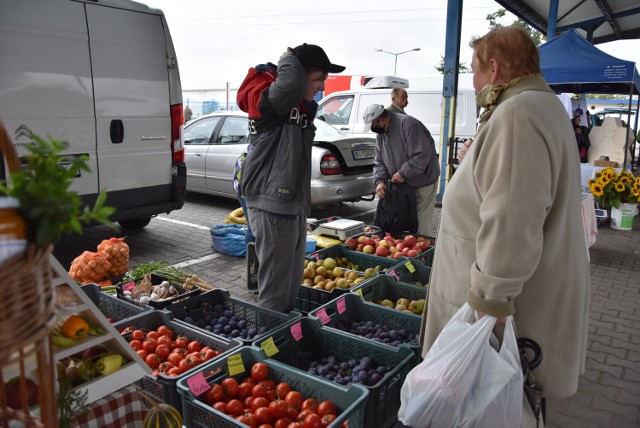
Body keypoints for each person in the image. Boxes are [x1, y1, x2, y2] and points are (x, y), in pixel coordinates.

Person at [419, 26, 590, 425]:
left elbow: (512, 220)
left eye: (475, 72)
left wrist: (488, 308)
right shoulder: (538, 106)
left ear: (494, 69)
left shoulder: (517, 115)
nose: (474, 83)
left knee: (493, 407)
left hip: (506, 311)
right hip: (527, 295)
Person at [237, 43, 345, 313]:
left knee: (289, 283)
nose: (321, 87)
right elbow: (289, 85)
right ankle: (267, 344)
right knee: (274, 291)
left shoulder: (296, 104)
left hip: (290, 203)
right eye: (319, 79)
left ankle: (281, 334)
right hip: (271, 201)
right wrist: (290, 59)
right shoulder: (272, 101)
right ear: (299, 74)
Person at [363, 104, 440, 237]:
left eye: (373, 125)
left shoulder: (409, 125)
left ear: (382, 119)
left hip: (422, 183)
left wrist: (404, 173)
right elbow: (379, 161)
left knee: (420, 229)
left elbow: (422, 154)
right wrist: (380, 181)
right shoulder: (381, 134)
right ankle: (405, 255)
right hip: (403, 188)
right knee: (400, 228)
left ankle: (421, 256)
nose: (373, 130)